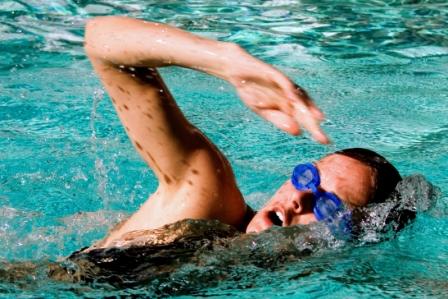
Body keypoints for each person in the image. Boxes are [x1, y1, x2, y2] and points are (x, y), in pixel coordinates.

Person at [83, 16, 404, 249]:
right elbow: (101, 41)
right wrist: (225, 60)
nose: (298, 198)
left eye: (328, 205)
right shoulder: (206, 203)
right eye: (307, 177)